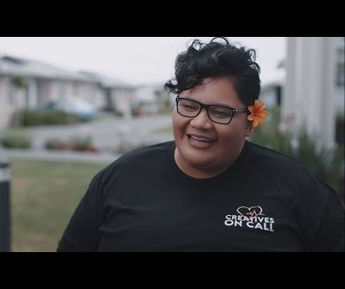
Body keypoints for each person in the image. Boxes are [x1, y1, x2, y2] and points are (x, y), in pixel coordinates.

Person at [57, 37, 344, 252]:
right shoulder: (119, 179)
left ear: (248, 122)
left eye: (220, 112)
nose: (200, 123)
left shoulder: (296, 188)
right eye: (189, 105)